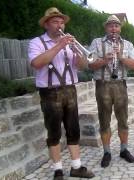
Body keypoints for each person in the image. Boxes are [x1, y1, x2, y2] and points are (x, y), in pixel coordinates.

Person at [28, 7, 94, 180]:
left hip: (70, 89)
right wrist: (60, 46)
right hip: (49, 92)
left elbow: (80, 66)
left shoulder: (68, 42)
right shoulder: (37, 42)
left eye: (61, 22)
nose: (60, 25)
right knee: (54, 131)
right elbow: (36, 63)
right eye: (55, 22)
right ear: (46, 24)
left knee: (73, 129)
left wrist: (79, 53)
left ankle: (76, 167)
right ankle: (58, 169)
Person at [88, 15, 134, 168]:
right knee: (104, 120)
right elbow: (90, 66)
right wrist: (105, 60)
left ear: (120, 28)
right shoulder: (97, 42)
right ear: (106, 28)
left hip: (120, 85)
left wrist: (121, 57)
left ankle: (124, 150)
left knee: (123, 119)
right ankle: (107, 152)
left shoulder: (127, 44)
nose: (114, 28)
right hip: (102, 85)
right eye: (111, 26)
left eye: (116, 26)